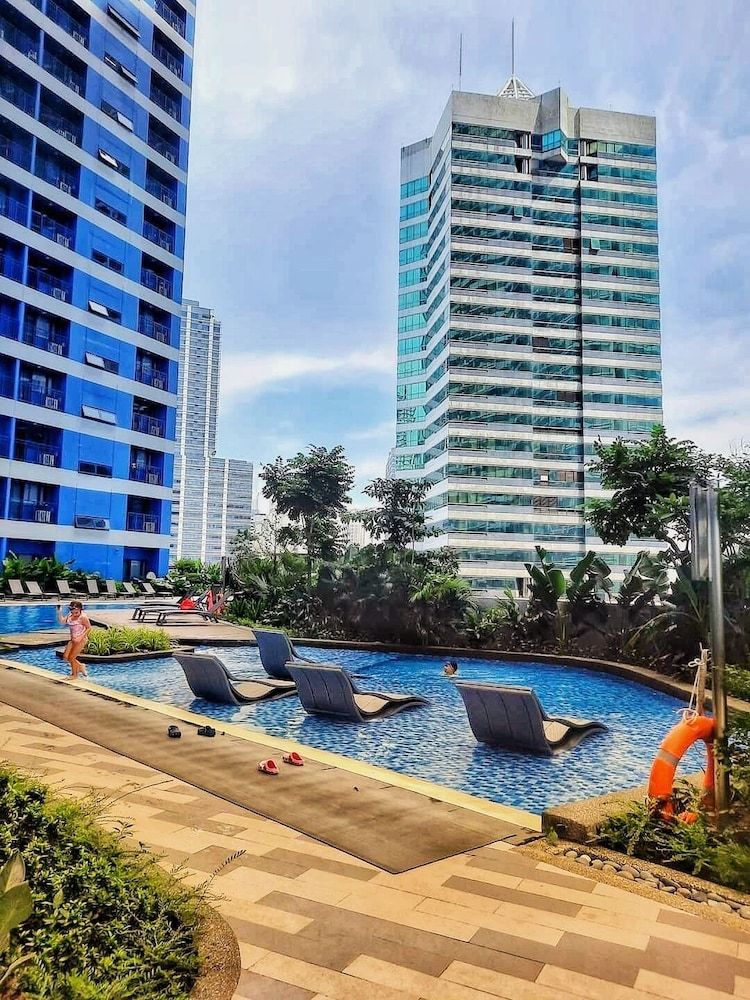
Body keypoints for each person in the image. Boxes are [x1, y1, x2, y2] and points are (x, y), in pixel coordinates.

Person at [56, 600, 92, 679]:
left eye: (76, 612)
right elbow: (62, 621)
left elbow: (89, 628)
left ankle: (74, 675)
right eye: (73, 612)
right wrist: (59, 611)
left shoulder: (83, 617)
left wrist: (80, 637)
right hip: (73, 640)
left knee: (71, 658)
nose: (74, 614)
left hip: (81, 640)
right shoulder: (70, 615)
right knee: (65, 657)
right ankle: (81, 666)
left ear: (80, 610)